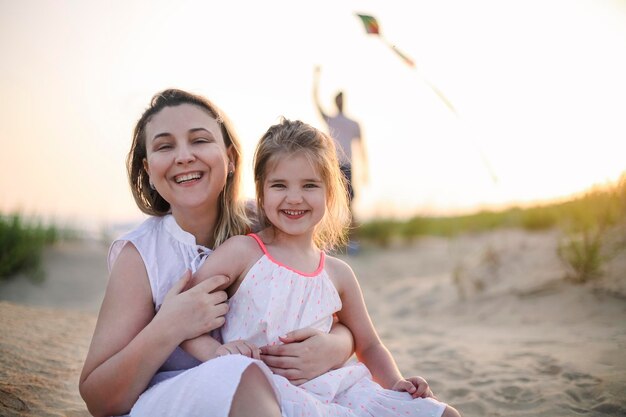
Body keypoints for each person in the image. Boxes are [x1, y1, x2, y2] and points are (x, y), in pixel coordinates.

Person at [79, 89, 355, 417]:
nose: (183, 156)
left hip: (279, 396)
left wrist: (335, 347)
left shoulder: (268, 223)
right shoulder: (141, 255)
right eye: (165, 146)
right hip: (174, 400)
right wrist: (169, 325)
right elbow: (98, 398)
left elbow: (327, 305)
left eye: (199, 140)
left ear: (231, 158)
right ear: (148, 169)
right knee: (238, 373)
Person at [184, 118, 461, 417]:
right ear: (261, 193)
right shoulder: (243, 252)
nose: (294, 198)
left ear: (329, 193)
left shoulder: (338, 273)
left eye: (309, 185)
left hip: (341, 389)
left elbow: (369, 345)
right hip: (271, 394)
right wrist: (217, 354)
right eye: (279, 185)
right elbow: (183, 319)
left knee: (445, 414)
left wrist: (396, 382)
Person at [313, 66, 367, 210]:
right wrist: (316, 78)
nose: (340, 102)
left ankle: (351, 228)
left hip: (347, 164)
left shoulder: (353, 123)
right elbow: (316, 101)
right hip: (333, 163)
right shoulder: (330, 119)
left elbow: (361, 148)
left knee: (349, 197)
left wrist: (365, 169)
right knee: (331, 196)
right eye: (338, 100)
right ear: (334, 102)